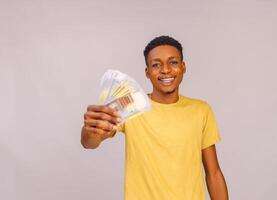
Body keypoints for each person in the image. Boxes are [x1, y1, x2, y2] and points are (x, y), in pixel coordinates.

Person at [81, 35, 229, 200]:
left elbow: (214, 173)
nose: (165, 70)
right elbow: (89, 143)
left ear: (183, 67)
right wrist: (91, 131)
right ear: (147, 72)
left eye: (173, 62)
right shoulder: (130, 103)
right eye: (156, 64)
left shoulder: (201, 110)